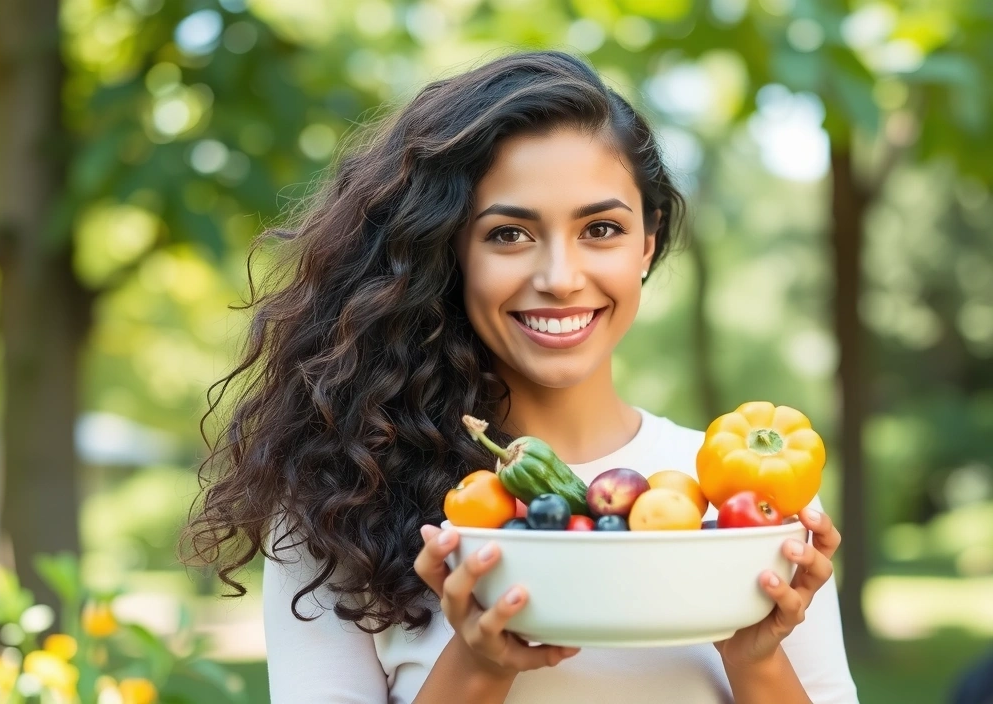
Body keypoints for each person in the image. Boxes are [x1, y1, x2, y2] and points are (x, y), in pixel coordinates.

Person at [183, 49, 859, 703]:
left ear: (647, 243)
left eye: (601, 229)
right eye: (509, 235)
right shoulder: (338, 511)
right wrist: (478, 668)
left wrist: (755, 654)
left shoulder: (747, 503)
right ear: (449, 250)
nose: (560, 279)